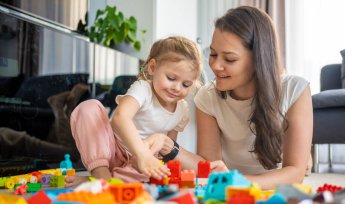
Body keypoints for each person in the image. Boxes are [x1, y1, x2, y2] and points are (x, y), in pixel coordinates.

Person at [161, 6, 313, 190]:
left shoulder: (295, 89)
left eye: (230, 59)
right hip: (232, 183)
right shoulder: (208, 97)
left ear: (258, 60)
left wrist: (239, 181)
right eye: (213, 54)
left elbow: (295, 173)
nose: (215, 66)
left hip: (271, 185)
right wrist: (169, 147)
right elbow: (210, 165)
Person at [65, 36, 203, 187]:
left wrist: (154, 164)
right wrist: (141, 153)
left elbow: (168, 150)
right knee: (89, 107)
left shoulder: (182, 110)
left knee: (149, 172)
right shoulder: (143, 88)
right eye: (171, 78)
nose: (177, 88)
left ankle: (103, 181)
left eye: (186, 84)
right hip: (112, 149)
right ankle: (101, 175)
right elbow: (120, 117)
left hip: (139, 164)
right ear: (152, 68)